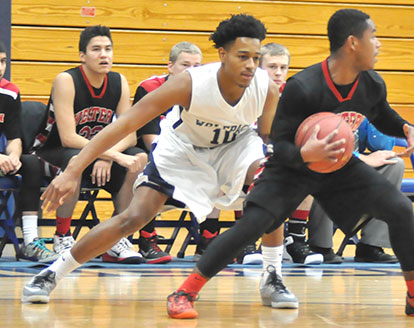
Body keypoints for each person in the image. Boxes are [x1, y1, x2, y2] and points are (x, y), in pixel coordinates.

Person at [161, 9, 414, 319]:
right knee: (249, 227)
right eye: (373, 36)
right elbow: (279, 144)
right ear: (353, 43)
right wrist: (307, 154)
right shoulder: (303, 86)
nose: (379, 44)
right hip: (292, 168)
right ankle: (185, 291)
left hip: (336, 166)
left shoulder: (371, 83)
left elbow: (380, 112)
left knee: (399, 208)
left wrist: (403, 127)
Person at [22, 14, 298, 311]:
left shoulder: (266, 88)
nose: (250, 65)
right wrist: (74, 169)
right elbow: (124, 124)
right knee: (133, 218)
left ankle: (272, 277)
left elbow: (267, 137)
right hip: (183, 149)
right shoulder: (189, 84)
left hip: (235, 146)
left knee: (272, 187)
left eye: (256, 58)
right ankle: (51, 273)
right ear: (222, 54)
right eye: (242, 56)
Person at [33, 25, 148, 263]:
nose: (104, 54)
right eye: (96, 49)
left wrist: (107, 156)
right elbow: (68, 138)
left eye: (108, 49)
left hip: (97, 153)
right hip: (53, 152)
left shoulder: (119, 81)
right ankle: (62, 236)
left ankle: (117, 238)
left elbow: (130, 134)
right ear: (82, 56)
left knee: (138, 159)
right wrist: (108, 155)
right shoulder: (67, 80)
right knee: (76, 158)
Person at [132, 41, 202, 264]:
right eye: (185, 65)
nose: (191, 71)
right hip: (151, 152)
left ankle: (208, 242)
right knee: (151, 168)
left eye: (197, 66)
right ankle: (147, 239)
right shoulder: (150, 88)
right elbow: (149, 139)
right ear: (170, 67)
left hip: (189, 156)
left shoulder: (205, 93)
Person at [258, 42, 322, 265]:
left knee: (309, 167)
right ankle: (248, 242)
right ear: (258, 67)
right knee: (254, 166)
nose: (278, 72)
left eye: (283, 67)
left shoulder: (297, 95)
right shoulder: (247, 92)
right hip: (250, 153)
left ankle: (294, 239)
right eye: (272, 66)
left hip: (281, 153)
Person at [309, 118, 401, 264]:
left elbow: (384, 145)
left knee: (394, 164)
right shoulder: (322, 100)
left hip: (355, 166)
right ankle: (321, 246)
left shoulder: (363, 102)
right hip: (323, 159)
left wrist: (374, 113)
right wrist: (360, 158)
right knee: (326, 163)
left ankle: (370, 246)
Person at [0, 41, 58, 262]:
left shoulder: (10, 92)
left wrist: (13, 156)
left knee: (31, 163)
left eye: (3, 61)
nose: (0, 67)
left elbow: (14, 136)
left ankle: (31, 241)